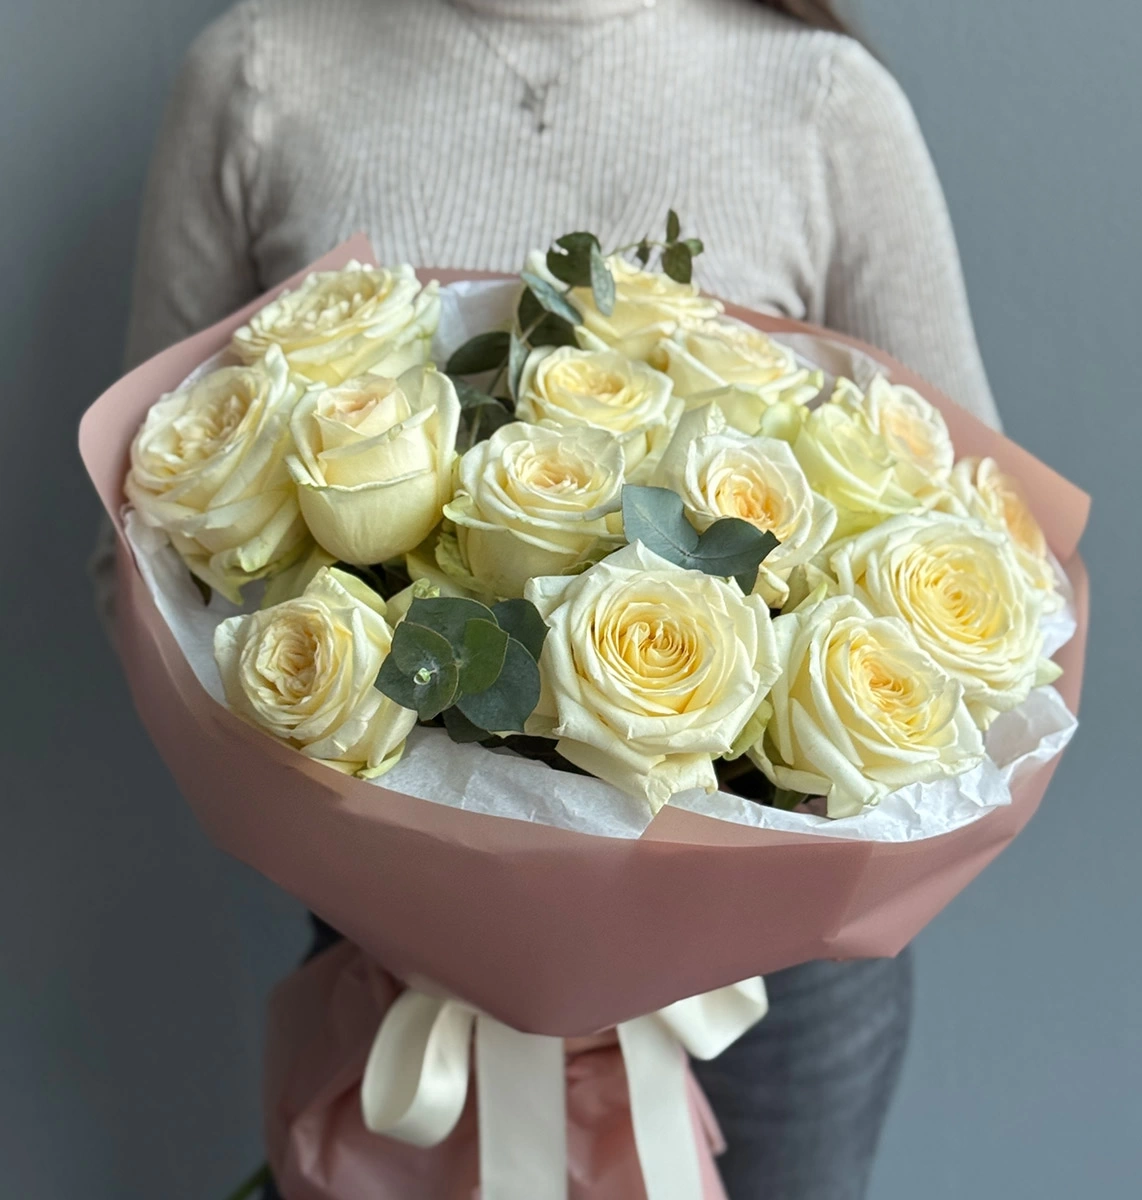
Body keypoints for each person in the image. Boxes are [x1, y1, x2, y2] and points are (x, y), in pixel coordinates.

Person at [119, 0, 1003, 1196]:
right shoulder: (261, 75)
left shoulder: (822, 102)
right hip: (399, 958)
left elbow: (971, 529)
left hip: (768, 999)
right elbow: (148, 527)